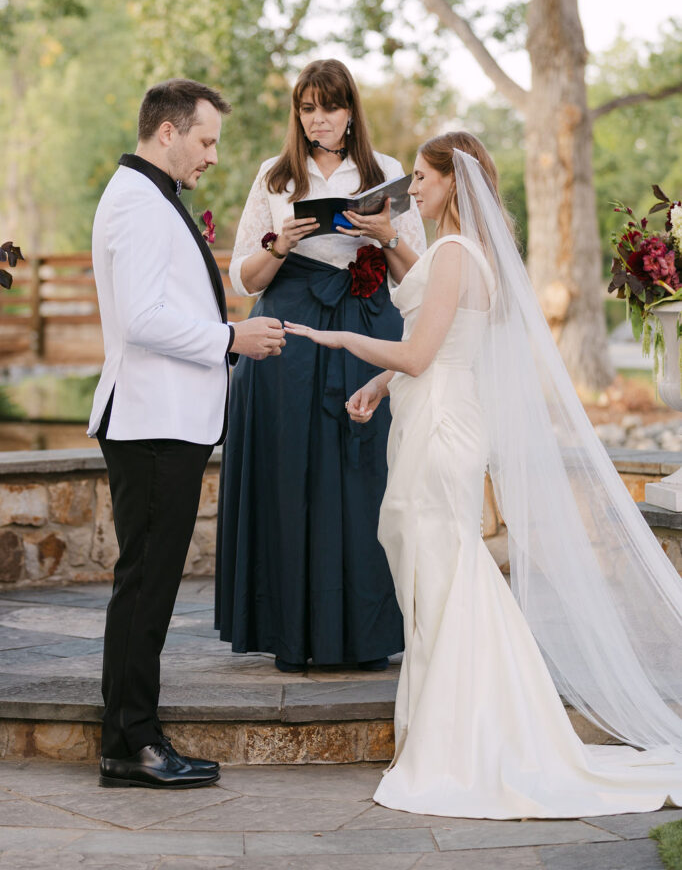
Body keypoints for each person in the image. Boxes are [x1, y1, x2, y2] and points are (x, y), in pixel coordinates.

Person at [285, 130, 682, 818]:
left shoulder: (454, 255)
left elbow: (421, 352)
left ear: (451, 184)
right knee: (440, 574)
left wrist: (343, 339)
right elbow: (439, 343)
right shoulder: (470, 256)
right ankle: (470, 725)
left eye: (421, 177)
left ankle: (465, 740)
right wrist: (379, 384)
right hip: (442, 415)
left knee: (443, 576)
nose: (412, 188)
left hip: (440, 429)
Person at [88, 78, 286, 789]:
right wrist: (231, 337)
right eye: (205, 141)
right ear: (167, 132)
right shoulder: (140, 204)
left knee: (148, 583)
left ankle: (129, 737)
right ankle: (131, 742)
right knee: (145, 586)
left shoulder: (147, 197)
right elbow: (142, 319)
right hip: (151, 423)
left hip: (159, 420)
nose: (211, 157)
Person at [214, 59, 426, 672]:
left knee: (367, 475)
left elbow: (418, 279)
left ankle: (367, 633)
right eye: (307, 109)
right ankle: (293, 633)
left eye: (329, 108)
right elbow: (245, 278)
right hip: (289, 334)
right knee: (292, 473)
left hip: (365, 325)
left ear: (350, 110)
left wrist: (385, 233)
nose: (318, 120)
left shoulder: (384, 172)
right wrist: (280, 244)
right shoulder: (274, 176)